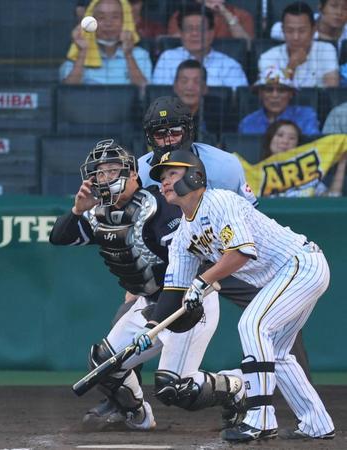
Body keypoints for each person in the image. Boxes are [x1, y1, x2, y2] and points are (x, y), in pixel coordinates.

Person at [134, 149, 335, 442]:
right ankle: (316, 423)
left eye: (171, 174)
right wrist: (151, 329)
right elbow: (174, 289)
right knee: (277, 352)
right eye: (161, 177)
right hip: (285, 275)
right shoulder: (182, 236)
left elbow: (240, 253)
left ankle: (261, 420)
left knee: (252, 326)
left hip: (300, 264)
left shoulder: (219, 201)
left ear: (195, 176)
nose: (164, 182)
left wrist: (202, 281)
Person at [49, 139, 245, 431]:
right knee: (105, 364)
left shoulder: (161, 206)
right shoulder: (99, 213)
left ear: (132, 175)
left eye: (113, 171)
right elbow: (59, 237)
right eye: (100, 173)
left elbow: (188, 265)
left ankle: (236, 387)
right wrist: (78, 210)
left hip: (188, 303)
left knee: (175, 388)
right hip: (149, 302)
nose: (105, 179)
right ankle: (138, 417)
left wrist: (157, 322)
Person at [138, 95, 313, 379]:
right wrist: (137, 282)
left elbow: (251, 221)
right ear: (150, 137)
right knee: (132, 318)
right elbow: (137, 232)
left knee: (281, 314)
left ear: (188, 131)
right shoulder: (142, 173)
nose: (168, 140)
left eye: (175, 131)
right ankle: (120, 401)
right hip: (171, 259)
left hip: (225, 255)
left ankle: (297, 394)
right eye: (160, 133)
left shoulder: (224, 166)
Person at [152, 4, 248, 88]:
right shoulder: (168, 59)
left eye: (200, 29)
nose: (194, 34)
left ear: (211, 33)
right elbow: (159, 99)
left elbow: (240, 105)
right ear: (180, 33)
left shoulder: (229, 66)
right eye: (189, 29)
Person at [60, 0, 152, 87]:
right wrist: (83, 52)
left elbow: (144, 92)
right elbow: (67, 93)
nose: (108, 23)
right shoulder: (76, 53)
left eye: (115, 17)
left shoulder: (140, 55)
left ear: (125, 22)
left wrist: (128, 55)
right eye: (101, 17)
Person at [259, 1, 339, 87]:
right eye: (290, 30)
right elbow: (272, 94)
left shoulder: (326, 50)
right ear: (282, 30)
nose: (295, 37)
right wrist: (291, 66)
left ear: (313, 30)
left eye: (302, 31)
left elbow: (332, 89)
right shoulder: (268, 57)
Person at [261, 120, 347, 197]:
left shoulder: (309, 175)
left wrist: (342, 162)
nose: (285, 141)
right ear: (270, 139)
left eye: (292, 138)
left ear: (297, 145)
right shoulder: (256, 174)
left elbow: (333, 197)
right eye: (280, 135)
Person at [238, 66, 320, 136]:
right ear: (260, 93)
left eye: (281, 90)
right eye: (269, 90)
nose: (275, 95)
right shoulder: (248, 123)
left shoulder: (306, 116)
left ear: (291, 94)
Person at [173, 59, 226, 143]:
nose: (190, 87)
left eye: (197, 82)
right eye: (184, 81)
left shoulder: (219, 113)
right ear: (175, 87)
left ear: (205, 88)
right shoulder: (162, 112)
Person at [270, 0, 347, 54]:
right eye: (334, 6)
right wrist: (318, 36)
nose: (339, 12)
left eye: (345, 8)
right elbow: (275, 30)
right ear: (321, 7)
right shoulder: (306, 20)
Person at [167, 0, 254, 46]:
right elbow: (173, 42)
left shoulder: (242, 15)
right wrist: (202, 11)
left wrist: (227, 15)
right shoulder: (181, 15)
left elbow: (248, 46)